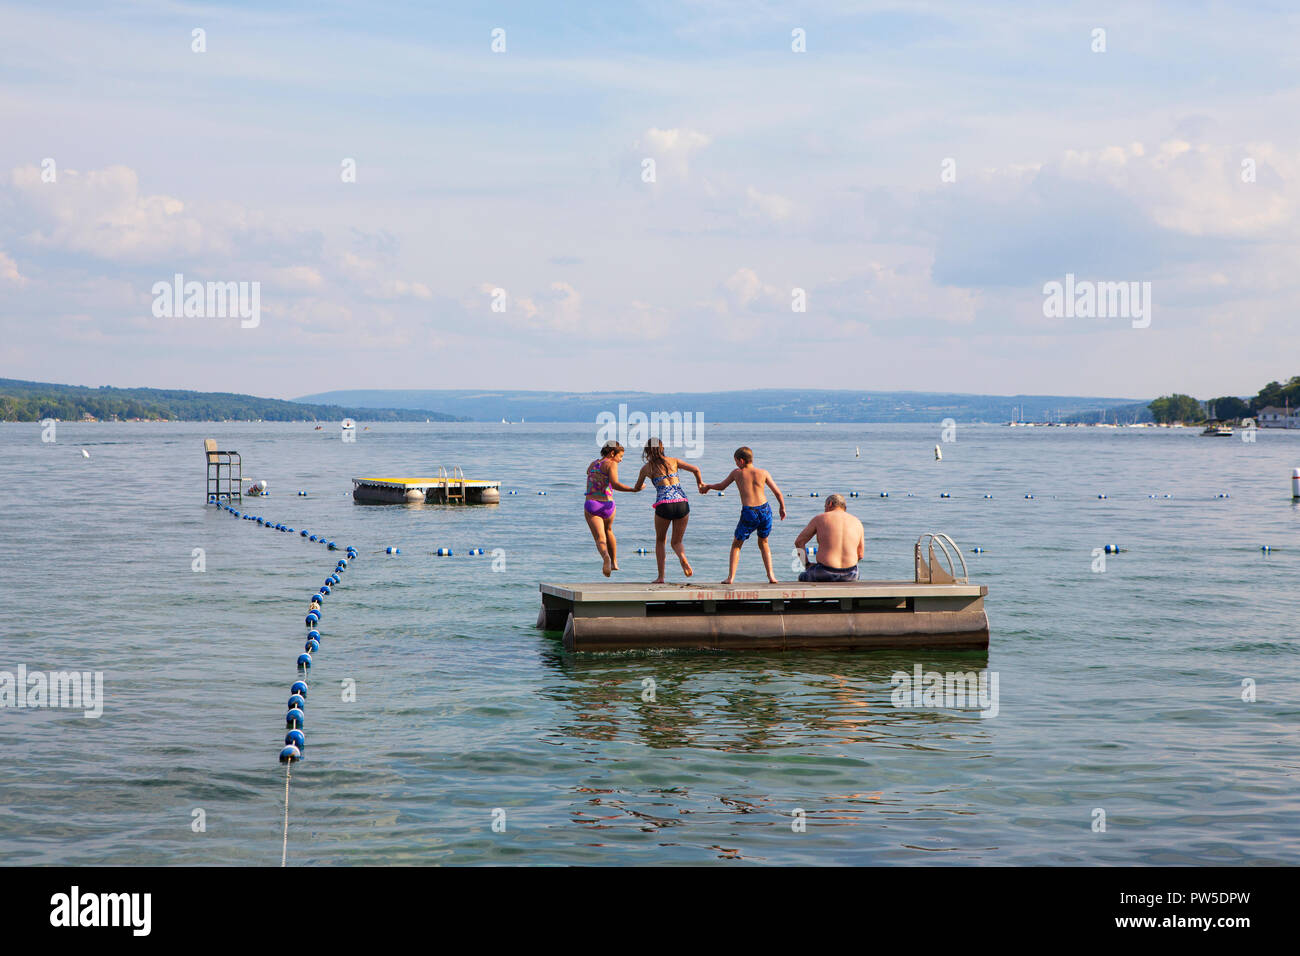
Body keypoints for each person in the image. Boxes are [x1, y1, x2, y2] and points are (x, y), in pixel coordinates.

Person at [702, 446, 786, 584]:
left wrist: (708, 486)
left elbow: (722, 486)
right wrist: (782, 508)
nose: (735, 464)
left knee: (736, 544)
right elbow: (778, 492)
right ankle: (771, 576)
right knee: (764, 542)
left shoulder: (737, 473)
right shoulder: (763, 472)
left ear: (741, 461)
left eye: (735, 461)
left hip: (750, 512)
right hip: (765, 510)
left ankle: (730, 578)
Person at [631, 437, 705, 583]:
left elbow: (636, 487)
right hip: (682, 502)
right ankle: (683, 558)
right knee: (676, 542)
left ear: (647, 451)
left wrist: (641, 487)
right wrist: (700, 484)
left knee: (660, 541)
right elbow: (696, 469)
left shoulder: (647, 468)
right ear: (662, 448)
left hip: (664, 504)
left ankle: (661, 577)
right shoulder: (674, 461)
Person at [584, 441, 636, 576]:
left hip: (592, 504)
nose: (621, 460)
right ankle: (614, 562)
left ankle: (605, 557)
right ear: (612, 453)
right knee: (609, 531)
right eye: (620, 456)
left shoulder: (593, 463)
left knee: (600, 538)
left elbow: (588, 472)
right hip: (608, 505)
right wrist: (633, 490)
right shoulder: (612, 464)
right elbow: (615, 484)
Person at [794, 494, 864, 581]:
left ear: (830, 504)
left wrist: (807, 564)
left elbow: (799, 542)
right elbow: (860, 554)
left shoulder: (820, 518)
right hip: (851, 574)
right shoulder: (857, 522)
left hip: (824, 572)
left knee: (802, 577)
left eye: (824, 507)